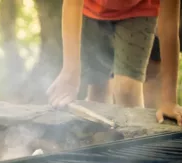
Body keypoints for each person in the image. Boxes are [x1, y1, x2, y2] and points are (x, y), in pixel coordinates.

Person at [47, 0, 182, 126]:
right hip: (90, 10)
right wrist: (70, 72)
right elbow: (72, 4)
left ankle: (137, 143)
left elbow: (169, 26)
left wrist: (169, 101)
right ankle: (99, 142)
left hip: (139, 10)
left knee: (127, 90)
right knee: (97, 90)